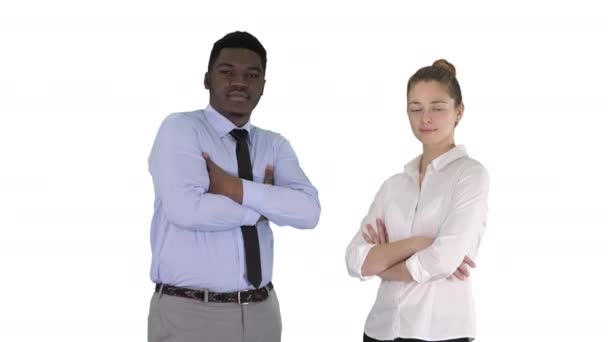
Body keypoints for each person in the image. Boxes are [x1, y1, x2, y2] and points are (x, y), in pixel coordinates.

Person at [146, 31, 321, 342]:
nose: (240, 82)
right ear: (207, 79)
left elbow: (308, 212)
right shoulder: (181, 129)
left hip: (262, 313)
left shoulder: (274, 145)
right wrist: (265, 206)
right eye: (227, 72)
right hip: (191, 313)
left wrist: (231, 187)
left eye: (251, 75)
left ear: (263, 86)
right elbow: (187, 210)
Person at [345, 59, 490, 342]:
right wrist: (417, 244)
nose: (425, 118)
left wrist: (384, 263)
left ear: (459, 111)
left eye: (437, 108)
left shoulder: (470, 175)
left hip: (439, 331)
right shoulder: (393, 186)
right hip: (380, 330)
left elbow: (442, 260)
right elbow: (354, 260)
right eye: (415, 109)